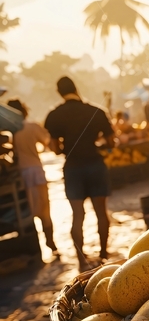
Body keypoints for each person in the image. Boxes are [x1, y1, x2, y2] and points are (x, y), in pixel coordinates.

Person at [44, 77, 114, 271]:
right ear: (76, 88)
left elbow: (54, 148)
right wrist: (98, 144)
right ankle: (103, 255)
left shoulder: (54, 115)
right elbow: (111, 142)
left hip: (73, 167)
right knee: (101, 212)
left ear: (59, 92)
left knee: (77, 215)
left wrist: (65, 147)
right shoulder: (96, 112)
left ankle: (82, 261)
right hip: (95, 164)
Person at [7, 99, 58, 255]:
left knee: (28, 210)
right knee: (45, 210)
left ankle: (39, 247)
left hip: (20, 174)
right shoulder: (31, 127)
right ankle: (51, 244)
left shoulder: (10, 131)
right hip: (36, 171)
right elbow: (48, 143)